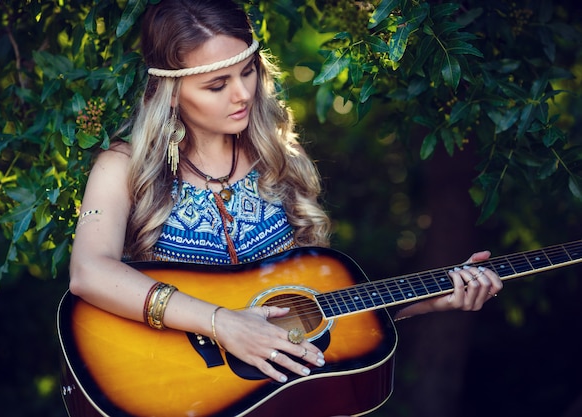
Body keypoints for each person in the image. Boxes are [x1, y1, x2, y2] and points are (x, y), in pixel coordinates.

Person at [69, 0, 503, 389]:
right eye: (216, 85)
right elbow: (88, 272)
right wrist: (222, 323)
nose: (242, 94)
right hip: (172, 388)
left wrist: (433, 299)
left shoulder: (278, 158)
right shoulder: (122, 167)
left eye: (247, 71)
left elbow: (315, 313)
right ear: (171, 91)